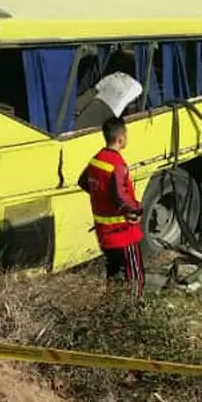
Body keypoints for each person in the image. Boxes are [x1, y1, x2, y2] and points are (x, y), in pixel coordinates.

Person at [77, 117, 146, 297]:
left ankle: (111, 309)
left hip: (104, 233)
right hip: (123, 232)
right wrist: (137, 209)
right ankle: (134, 310)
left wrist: (102, 197)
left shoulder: (96, 160)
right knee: (135, 274)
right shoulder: (117, 165)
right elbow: (120, 196)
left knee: (113, 274)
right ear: (120, 138)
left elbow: (83, 182)